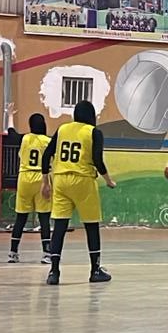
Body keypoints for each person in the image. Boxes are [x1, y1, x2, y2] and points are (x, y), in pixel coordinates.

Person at [41, 101, 116, 285]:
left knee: (59, 226)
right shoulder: (93, 132)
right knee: (91, 226)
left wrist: (45, 182)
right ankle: (95, 270)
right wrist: (108, 180)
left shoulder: (62, 129)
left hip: (60, 180)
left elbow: (46, 155)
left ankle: (54, 271)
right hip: (83, 180)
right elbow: (97, 160)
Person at [8, 110, 52, 263]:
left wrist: (10, 116)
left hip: (24, 178)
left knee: (21, 217)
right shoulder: (47, 141)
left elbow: (11, 133)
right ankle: (47, 253)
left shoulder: (25, 138)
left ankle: (13, 252)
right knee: (44, 217)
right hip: (41, 178)